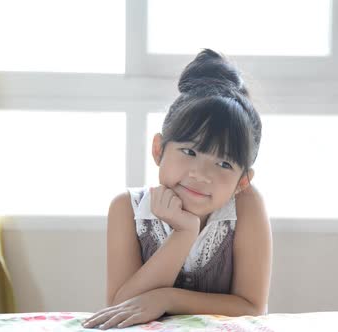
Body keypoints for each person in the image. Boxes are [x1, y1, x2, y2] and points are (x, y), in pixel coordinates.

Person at [83, 49, 272, 329]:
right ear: (158, 149)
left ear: (242, 182)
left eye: (223, 163)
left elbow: (251, 307)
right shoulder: (127, 209)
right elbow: (120, 305)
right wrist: (183, 233)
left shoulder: (246, 205)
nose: (201, 174)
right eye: (189, 151)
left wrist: (167, 298)